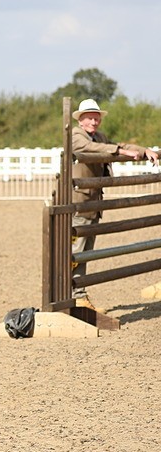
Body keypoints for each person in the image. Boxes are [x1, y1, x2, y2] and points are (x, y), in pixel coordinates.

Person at [70, 98, 159, 309]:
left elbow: (118, 145)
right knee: (76, 250)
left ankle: (79, 294)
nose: (94, 121)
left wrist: (144, 150)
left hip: (92, 202)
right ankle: (75, 295)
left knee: (85, 250)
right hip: (78, 202)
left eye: (96, 117)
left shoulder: (98, 135)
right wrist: (120, 152)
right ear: (80, 120)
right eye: (90, 118)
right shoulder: (75, 135)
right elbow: (93, 148)